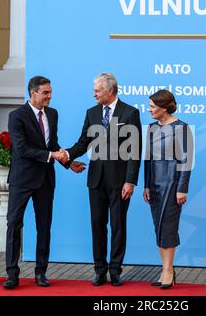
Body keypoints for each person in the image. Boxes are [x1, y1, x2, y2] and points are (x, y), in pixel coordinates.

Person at [4, 76, 85, 289]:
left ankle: (41, 272)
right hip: (22, 180)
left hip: (46, 180)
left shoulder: (52, 114)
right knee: (14, 224)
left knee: (44, 227)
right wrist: (52, 156)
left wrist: (69, 162)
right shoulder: (16, 116)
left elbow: (52, 144)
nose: (50, 96)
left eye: (50, 92)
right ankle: (12, 274)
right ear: (33, 93)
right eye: (45, 93)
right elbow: (21, 149)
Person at [66, 72, 142, 286]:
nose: (94, 94)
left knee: (118, 226)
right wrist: (67, 156)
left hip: (120, 182)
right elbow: (83, 143)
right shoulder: (91, 113)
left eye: (97, 91)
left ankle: (115, 270)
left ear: (110, 91)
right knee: (97, 225)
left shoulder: (130, 113)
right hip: (96, 180)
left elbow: (135, 150)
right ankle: (100, 270)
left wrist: (130, 181)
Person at [143, 90, 193, 289]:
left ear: (164, 107)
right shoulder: (152, 128)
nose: (149, 110)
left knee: (168, 227)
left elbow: (186, 161)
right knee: (158, 227)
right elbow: (147, 160)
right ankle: (165, 269)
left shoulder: (182, 128)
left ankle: (168, 270)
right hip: (154, 185)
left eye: (153, 106)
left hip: (172, 184)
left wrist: (182, 189)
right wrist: (146, 184)